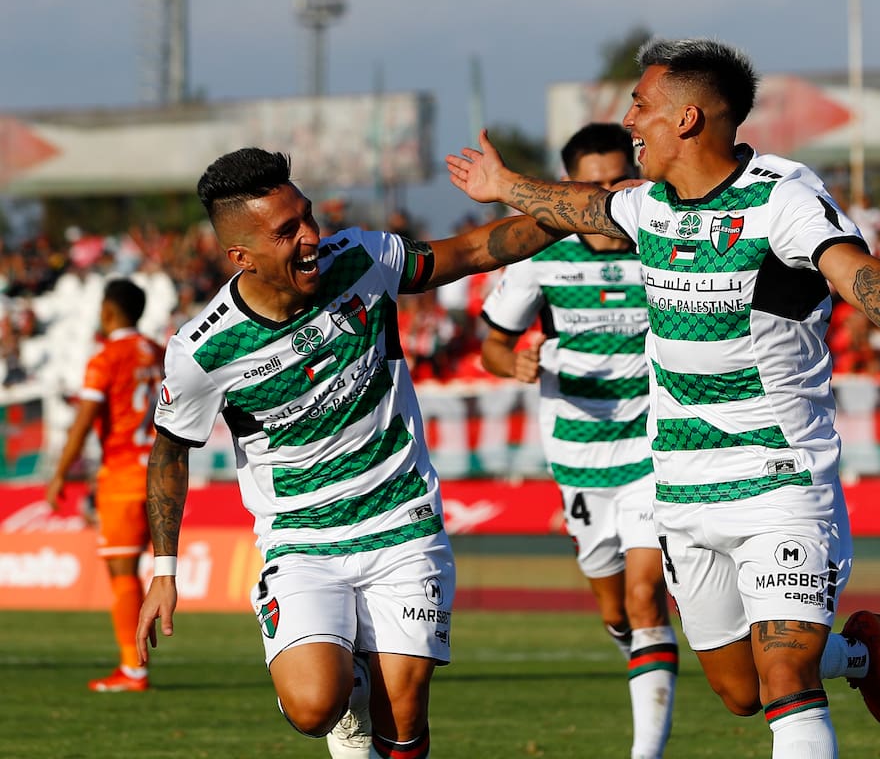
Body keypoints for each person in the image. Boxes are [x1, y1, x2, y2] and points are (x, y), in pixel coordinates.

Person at [446, 37, 880, 758]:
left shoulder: (783, 196)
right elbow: (581, 206)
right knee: (739, 690)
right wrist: (507, 184)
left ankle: (821, 663)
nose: (630, 121)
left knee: (783, 675)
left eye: (641, 106)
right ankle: (860, 656)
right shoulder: (648, 207)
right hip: (682, 491)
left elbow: (850, 269)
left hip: (781, 479)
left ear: (686, 119)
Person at [135, 147, 577, 759]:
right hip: (301, 541)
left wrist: (585, 211)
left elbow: (474, 251)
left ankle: (370, 697)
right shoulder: (201, 350)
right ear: (242, 256)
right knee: (317, 706)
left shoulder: (363, 259)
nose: (312, 236)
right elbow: (169, 454)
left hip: (401, 519)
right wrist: (164, 571)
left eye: (308, 217)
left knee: (403, 715)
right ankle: (346, 698)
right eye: (287, 231)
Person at [479, 122, 676, 759]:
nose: (607, 193)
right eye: (592, 184)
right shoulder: (540, 253)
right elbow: (492, 346)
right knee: (615, 608)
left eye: (620, 179)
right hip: (577, 456)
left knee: (648, 594)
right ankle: (633, 646)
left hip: (654, 446)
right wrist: (515, 365)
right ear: (568, 187)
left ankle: (645, 751)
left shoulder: (663, 244)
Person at [46, 278, 165, 692]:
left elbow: (84, 418)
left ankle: (133, 669)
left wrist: (61, 471)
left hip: (123, 475)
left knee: (121, 571)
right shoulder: (158, 352)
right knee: (153, 567)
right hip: (161, 471)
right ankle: (136, 665)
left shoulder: (105, 358)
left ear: (109, 312)